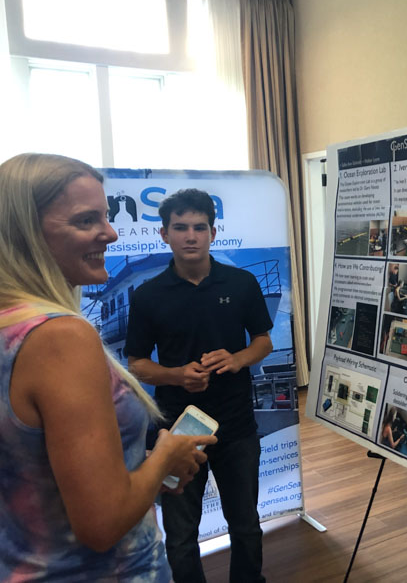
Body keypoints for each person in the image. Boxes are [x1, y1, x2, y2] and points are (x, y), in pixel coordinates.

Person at [0, 153, 214, 581]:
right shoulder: (61, 337)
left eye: (107, 216)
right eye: (85, 221)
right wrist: (165, 457)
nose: (111, 233)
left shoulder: (12, 326)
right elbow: (102, 523)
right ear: (24, 233)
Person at [125, 188, 273, 583]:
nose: (190, 235)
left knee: (245, 524)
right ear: (164, 235)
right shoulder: (148, 295)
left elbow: (263, 340)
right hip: (177, 431)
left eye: (199, 227)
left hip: (237, 425)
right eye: (180, 228)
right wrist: (177, 375)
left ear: (213, 232)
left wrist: (237, 358)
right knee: (181, 535)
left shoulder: (242, 283)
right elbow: (136, 363)